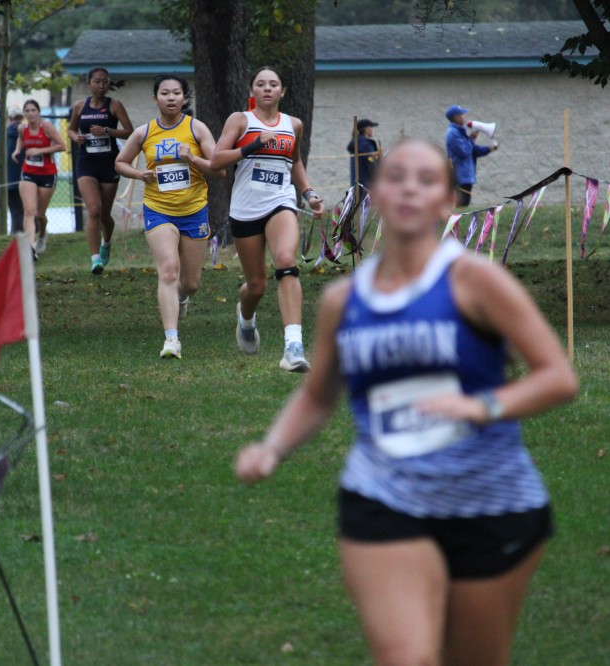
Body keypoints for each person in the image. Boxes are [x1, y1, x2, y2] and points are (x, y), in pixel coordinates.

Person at [235, 138, 579, 666]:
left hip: (492, 502)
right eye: (395, 177)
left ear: (448, 201)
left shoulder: (476, 280)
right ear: (375, 194)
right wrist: (272, 448)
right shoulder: (344, 300)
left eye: (426, 179)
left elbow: (558, 377)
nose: (409, 189)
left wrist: (482, 407)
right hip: (384, 497)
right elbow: (318, 396)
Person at [210, 66, 325, 373]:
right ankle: (246, 317)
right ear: (252, 91)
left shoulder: (293, 125)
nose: (267, 88)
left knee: (286, 261)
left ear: (282, 91)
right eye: (260, 84)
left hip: (280, 202)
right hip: (245, 209)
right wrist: (253, 145)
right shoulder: (240, 120)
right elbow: (216, 160)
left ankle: (293, 348)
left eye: (273, 84)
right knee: (256, 285)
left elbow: (295, 162)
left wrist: (308, 193)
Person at [116, 74, 222, 359]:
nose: (171, 97)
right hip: (158, 209)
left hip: (194, 211)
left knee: (190, 283)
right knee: (168, 270)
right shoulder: (144, 132)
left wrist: (192, 159)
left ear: (184, 98)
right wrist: (139, 174)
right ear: (155, 99)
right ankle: (171, 340)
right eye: (165, 93)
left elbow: (219, 169)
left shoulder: (197, 128)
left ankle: (182, 296)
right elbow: (120, 162)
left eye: (176, 93)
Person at [69, 67, 134, 274]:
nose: (101, 85)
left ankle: (106, 243)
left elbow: (129, 132)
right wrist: (76, 137)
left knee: (105, 214)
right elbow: (71, 129)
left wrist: (106, 130)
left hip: (109, 163)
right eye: (97, 81)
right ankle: (95, 259)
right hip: (86, 163)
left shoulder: (114, 105)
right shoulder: (80, 106)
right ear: (89, 83)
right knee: (94, 210)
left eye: (105, 81)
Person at [13, 99, 66, 257]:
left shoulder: (46, 126)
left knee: (40, 214)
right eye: (27, 111)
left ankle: (42, 236)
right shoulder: (22, 128)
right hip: (28, 172)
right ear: (24, 113)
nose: (30, 114)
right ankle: (30, 248)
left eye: (33, 110)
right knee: (29, 211)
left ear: (38, 112)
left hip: (47, 173)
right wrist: (17, 150)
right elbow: (21, 139)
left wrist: (39, 150)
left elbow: (62, 146)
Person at [445, 105, 497, 207]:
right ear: (456, 117)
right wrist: (471, 139)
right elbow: (464, 151)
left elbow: (473, 151)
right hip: (460, 175)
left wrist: (489, 149)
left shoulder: (459, 132)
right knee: (462, 205)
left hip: (466, 175)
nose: (464, 117)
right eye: (462, 114)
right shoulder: (453, 133)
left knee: (465, 203)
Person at [0, 108, 25, 234]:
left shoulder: (1, 136)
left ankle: (16, 236)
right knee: (29, 212)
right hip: (27, 180)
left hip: (9, 182)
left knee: (16, 213)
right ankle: (28, 237)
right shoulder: (28, 135)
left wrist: (0, 181)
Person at [347, 118, 380, 191]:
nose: (372, 129)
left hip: (356, 187)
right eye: (371, 127)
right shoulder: (366, 145)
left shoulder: (356, 143)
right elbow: (372, 165)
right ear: (366, 129)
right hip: (368, 187)